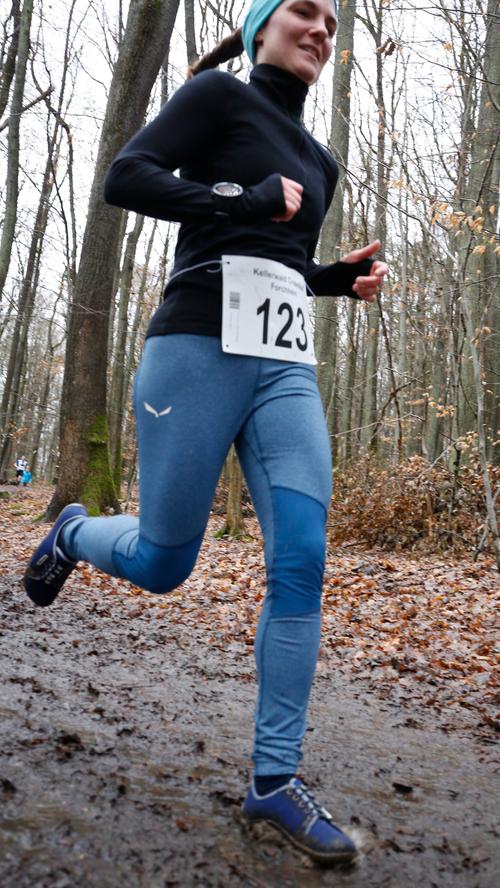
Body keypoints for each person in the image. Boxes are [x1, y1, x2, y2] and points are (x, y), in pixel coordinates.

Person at [24, 0, 388, 864]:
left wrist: (336, 280)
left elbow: (283, 261)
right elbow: (127, 175)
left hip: (284, 368)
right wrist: (239, 193)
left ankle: (273, 781)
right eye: (305, 11)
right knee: (164, 561)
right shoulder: (219, 97)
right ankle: (74, 531)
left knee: (302, 553)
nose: (321, 30)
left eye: (334, 23)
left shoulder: (321, 158)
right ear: (264, 24)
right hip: (195, 345)